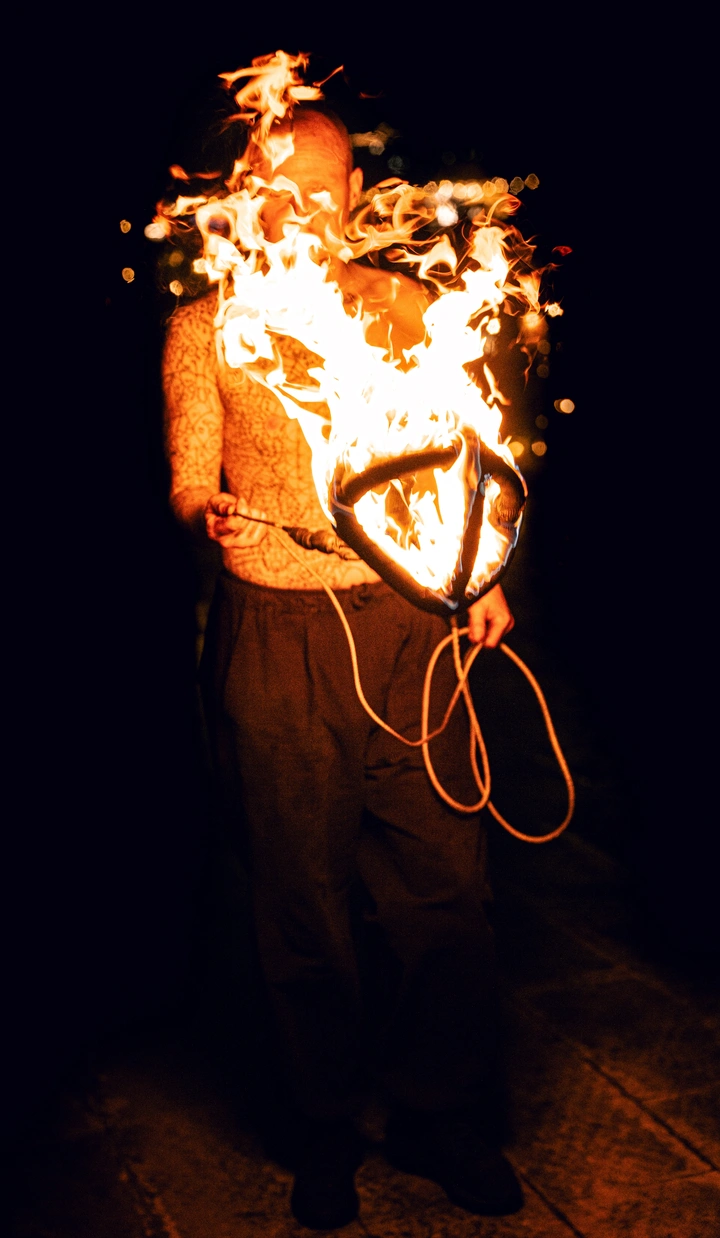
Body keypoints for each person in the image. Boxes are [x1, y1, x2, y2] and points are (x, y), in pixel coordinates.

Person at [163, 105, 524, 1229]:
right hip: (278, 632)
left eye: (321, 191)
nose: (299, 212)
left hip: (412, 623)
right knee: (300, 897)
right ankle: (323, 1123)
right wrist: (207, 510)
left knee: (443, 886)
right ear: (247, 193)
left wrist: (482, 574)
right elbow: (188, 473)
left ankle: (439, 1113)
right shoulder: (205, 327)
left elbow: (458, 453)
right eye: (279, 192)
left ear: (353, 194)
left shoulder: (404, 306)